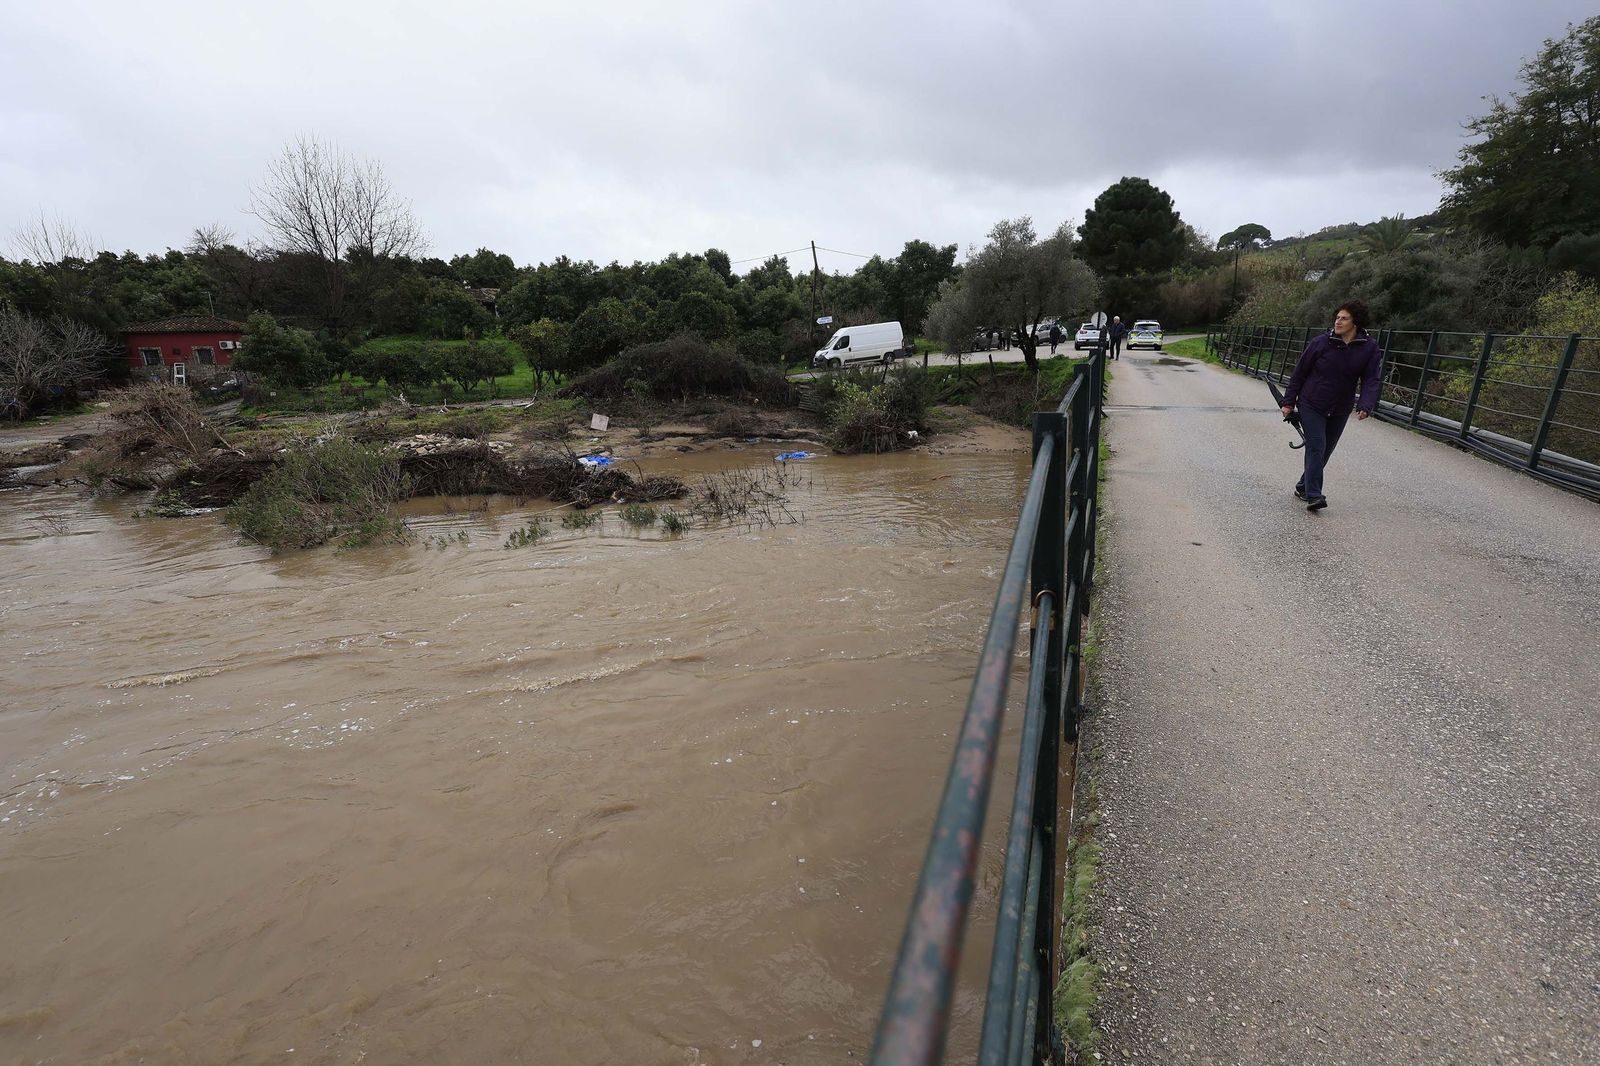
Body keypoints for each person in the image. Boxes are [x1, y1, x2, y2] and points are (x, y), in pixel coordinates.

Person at [1280, 299, 1383, 511]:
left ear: (1356, 322)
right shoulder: (1321, 342)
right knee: (1317, 445)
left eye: (1344, 318)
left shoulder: (1368, 347)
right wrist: (1289, 401)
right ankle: (1314, 495)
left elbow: (1372, 378)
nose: (1338, 321)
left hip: (1340, 407)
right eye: (1337, 317)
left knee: (1325, 450)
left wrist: (1366, 403)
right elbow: (1300, 372)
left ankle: (1303, 486)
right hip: (1312, 402)